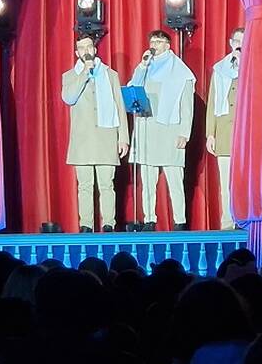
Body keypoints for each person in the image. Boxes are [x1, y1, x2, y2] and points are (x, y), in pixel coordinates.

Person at [62, 35, 129, 233]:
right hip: (82, 139)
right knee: (84, 185)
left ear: (95, 49)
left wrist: (123, 137)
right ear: (77, 53)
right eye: (81, 48)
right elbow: (69, 98)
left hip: (106, 136)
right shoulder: (70, 75)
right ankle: (86, 225)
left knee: (107, 184)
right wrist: (84, 73)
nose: (86, 51)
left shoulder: (110, 74)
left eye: (89, 47)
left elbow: (119, 106)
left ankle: (109, 223)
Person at [128, 30, 195, 230]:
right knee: (147, 180)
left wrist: (184, 133)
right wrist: (142, 65)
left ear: (167, 45)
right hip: (147, 128)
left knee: (174, 180)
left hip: (170, 130)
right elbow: (133, 88)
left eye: (158, 42)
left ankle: (179, 221)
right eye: (152, 41)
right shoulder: (146, 67)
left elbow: (187, 106)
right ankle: (149, 218)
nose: (154, 45)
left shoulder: (181, 71)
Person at [206, 27, 243, 230]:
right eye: (237, 41)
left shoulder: (255, 66)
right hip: (224, 133)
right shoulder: (220, 69)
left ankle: (246, 219)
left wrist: (243, 63)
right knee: (226, 182)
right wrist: (210, 133)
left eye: (244, 41)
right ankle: (228, 222)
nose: (240, 45)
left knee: (245, 181)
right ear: (231, 43)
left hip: (246, 134)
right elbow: (213, 103)